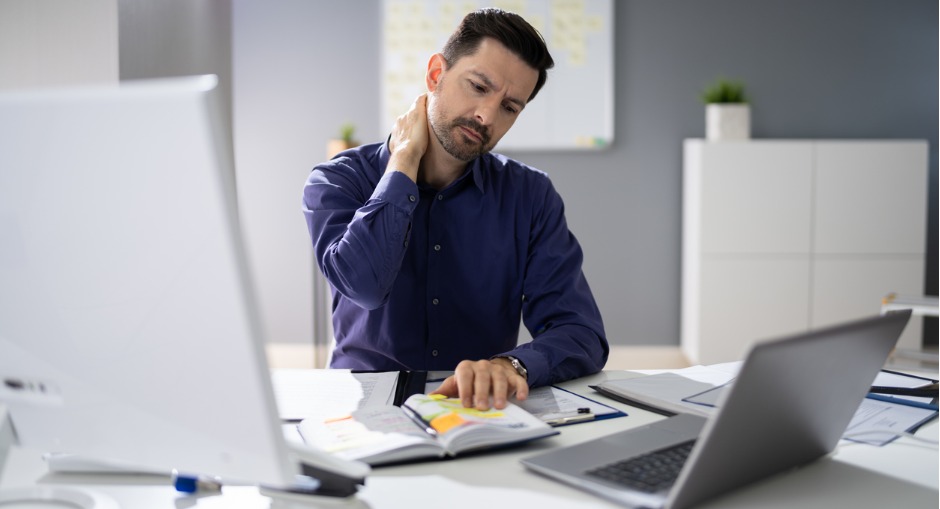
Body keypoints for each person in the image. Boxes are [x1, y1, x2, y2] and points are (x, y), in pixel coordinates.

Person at [303, 8, 607, 410]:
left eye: (509, 107)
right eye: (479, 86)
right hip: (362, 408)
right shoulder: (337, 181)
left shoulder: (530, 195)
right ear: (435, 75)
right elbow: (364, 286)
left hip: (476, 409)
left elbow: (580, 331)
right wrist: (403, 164)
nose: (487, 116)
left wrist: (512, 365)